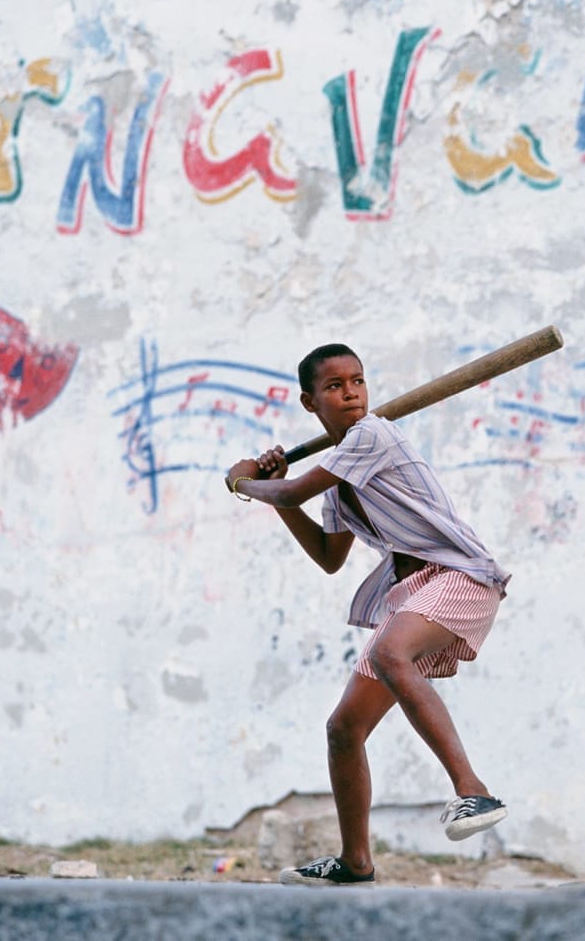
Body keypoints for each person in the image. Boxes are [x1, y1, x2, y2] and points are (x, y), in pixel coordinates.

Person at [224, 343, 511, 886]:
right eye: (334, 387)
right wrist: (278, 495)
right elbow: (328, 556)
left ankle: (473, 791)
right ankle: (355, 860)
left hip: (460, 575)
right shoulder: (338, 484)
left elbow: (290, 490)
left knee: (390, 653)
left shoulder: (371, 435)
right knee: (343, 728)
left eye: (357, 381)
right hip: (412, 593)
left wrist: (244, 482)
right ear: (310, 402)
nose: (351, 393)